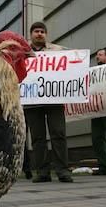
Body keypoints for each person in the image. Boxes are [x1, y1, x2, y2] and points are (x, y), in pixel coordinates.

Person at [23, 22, 73, 183]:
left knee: (58, 134)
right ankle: (42, 172)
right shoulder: (23, 52)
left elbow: (73, 62)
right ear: (31, 34)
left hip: (54, 99)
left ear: (46, 34)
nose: (39, 34)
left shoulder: (58, 50)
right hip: (31, 101)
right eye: (36, 31)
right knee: (37, 138)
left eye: (42, 31)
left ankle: (63, 171)